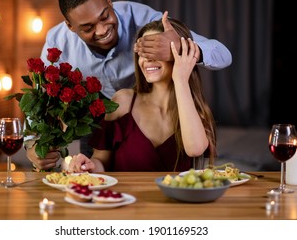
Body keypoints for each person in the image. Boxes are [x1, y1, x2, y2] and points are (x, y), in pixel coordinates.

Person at [26, 0, 228, 171]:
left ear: (109, 2)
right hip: (96, 111)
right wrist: (32, 144)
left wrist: (181, 48)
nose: (102, 30)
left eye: (105, 17)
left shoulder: (145, 22)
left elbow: (223, 54)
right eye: (88, 28)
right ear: (70, 27)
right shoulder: (59, 42)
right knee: (91, 174)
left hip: (152, 100)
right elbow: (40, 98)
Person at [68, 17, 216, 172]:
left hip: (174, 197)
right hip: (123, 196)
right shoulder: (123, 101)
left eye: (156, 50)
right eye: (143, 51)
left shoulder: (195, 111)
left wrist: (180, 79)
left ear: (179, 54)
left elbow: (195, 149)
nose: (147, 58)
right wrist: (89, 166)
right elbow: (101, 161)